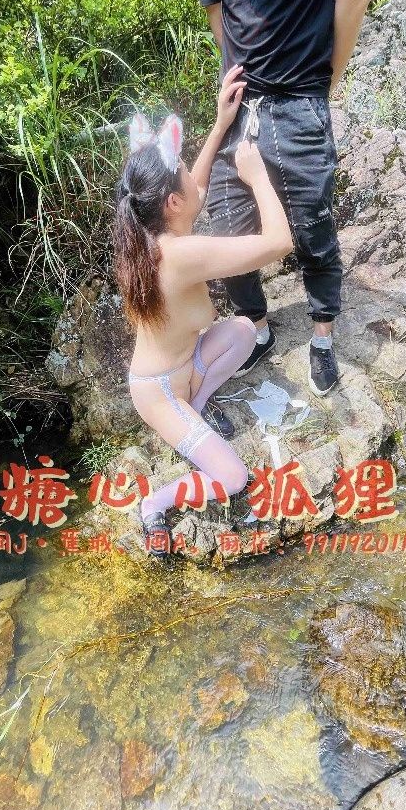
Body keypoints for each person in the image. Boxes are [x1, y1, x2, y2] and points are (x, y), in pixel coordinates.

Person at [192, 0, 375, 396]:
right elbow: (217, 8)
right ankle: (258, 329)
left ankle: (322, 336)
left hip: (301, 97)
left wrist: (322, 82)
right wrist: (237, 77)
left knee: (313, 227)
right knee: (229, 231)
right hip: (240, 104)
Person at [112, 66, 293, 557]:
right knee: (233, 478)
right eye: (184, 179)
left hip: (187, 368)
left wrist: (220, 125)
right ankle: (154, 505)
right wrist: (257, 176)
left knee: (242, 331)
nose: (196, 182)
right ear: (173, 202)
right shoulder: (180, 254)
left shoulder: (154, 236)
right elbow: (279, 242)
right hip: (158, 393)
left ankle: (199, 405)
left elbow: (195, 185)